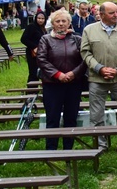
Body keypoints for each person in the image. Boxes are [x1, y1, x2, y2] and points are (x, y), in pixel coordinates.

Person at [80, 2, 117, 153]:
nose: (116, 15)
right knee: (96, 113)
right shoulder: (89, 30)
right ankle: (100, 144)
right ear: (102, 15)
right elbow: (85, 52)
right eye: (112, 13)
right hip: (97, 79)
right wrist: (99, 68)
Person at [36, 9, 87, 150]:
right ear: (52, 23)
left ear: (69, 23)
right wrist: (57, 74)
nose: (61, 24)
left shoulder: (77, 39)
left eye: (64, 21)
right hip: (52, 84)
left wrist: (73, 73)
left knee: (71, 117)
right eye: (57, 21)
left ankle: (68, 149)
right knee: (53, 117)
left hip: (73, 83)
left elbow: (85, 60)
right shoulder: (45, 39)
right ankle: (51, 149)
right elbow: (41, 59)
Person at [21, 10, 47, 83]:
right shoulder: (31, 26)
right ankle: (31, 91)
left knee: (41, 72)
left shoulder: (43, 28)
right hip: (32, 53)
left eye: (42, 18)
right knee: (33, 73)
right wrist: (34, 46)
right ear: (36, 18)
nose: (40, 20)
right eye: (39, 18)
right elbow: (23, 39)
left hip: (42, 53)